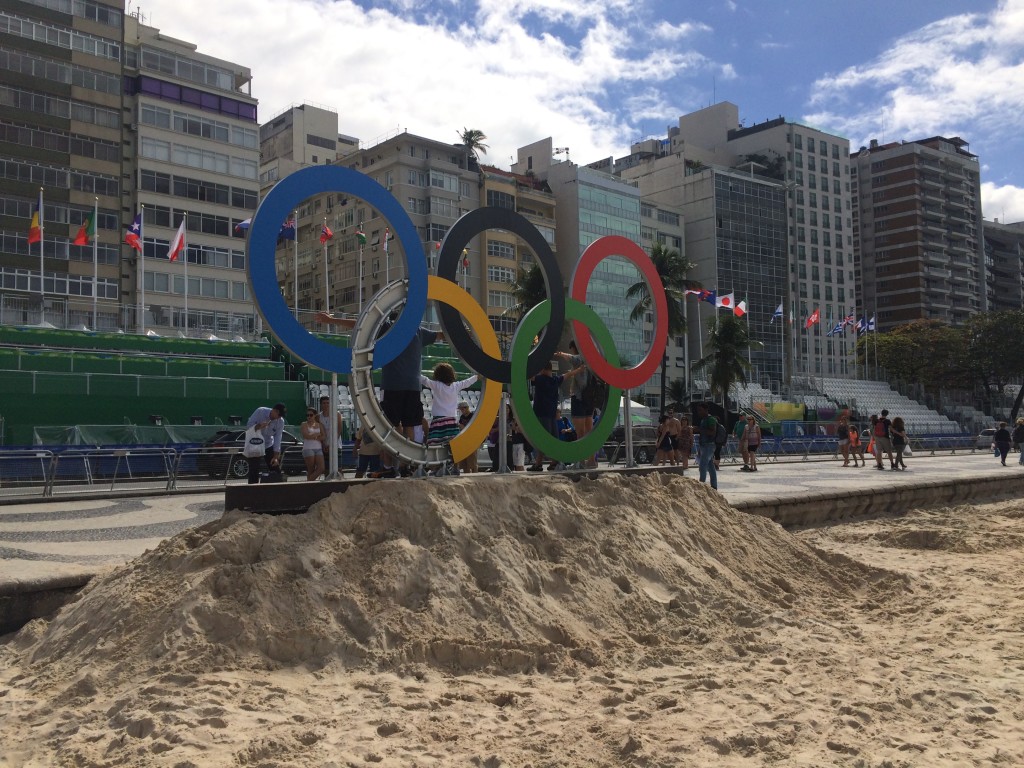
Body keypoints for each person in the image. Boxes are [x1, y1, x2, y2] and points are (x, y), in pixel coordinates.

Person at [317, 310, 441, 477]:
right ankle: (406, 466)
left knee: (391, 427)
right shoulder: (418, 330)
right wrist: (468, 334)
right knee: (409, 425)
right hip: (412, 387)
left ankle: (390, 467)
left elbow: (360, 324)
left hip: (393, 386)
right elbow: (442, 335)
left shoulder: (389, 328)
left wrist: (332, 321)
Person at [421, 363, 477, 474]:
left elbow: (424, 380)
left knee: (435, 444)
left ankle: (436, 468)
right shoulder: (456, 386)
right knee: (454, 445)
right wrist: (477, 376)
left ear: (438, 374)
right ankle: (456, 467)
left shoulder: (436, 385)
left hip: (438, 421)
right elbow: (467, 382)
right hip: (451, 420)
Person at [555, 341, 597, 468]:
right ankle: (592, 460)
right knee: (589, 431)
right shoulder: (592, 359)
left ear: (574, 348)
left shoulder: (579, 359)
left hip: (579, 398)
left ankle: (581, 460)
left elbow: (571, 357)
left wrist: (560, 353)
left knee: (580, 432)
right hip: (590, 398)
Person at [245, 402, 287, 484]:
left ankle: (278, 491)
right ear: (274, 411)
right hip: (256, 444)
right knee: (254, 469)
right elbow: (248, 425)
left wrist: (276, 456)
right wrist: (259, 426)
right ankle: (252, 492)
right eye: (279, 415)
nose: (279, 418)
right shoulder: (260, 411)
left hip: (268, 445)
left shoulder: (280, 421)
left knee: (275, 468)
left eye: (281, 416)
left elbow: (278, 437)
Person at [317, 395, 344, 477]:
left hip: (336, 445)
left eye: (328, 403)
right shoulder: (319, 417)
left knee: (338, 468)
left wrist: (332, 444)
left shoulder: (337, 414)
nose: (326, 405)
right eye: (324, 403)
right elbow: (319, 432)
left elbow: (339, 430)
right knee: (326, 469)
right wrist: (323, 445)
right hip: (324, 446)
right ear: (321, 404)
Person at [696, 402, 718, 490]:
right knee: (710, 467)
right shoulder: (703, 420)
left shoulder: (711, 419)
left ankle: (701, 486)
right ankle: (714, 486)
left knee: (702, 466)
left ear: (706, 410)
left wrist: (699, 429)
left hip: (709, 445)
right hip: (704, 446)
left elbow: (712, 432)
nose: (699, 412)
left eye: (700, 410)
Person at [299, 407, 326, 481]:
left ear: (315, 415)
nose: (309, 417)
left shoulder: (319, 425)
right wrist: (317, 434)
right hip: (308, 448)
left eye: (311, 415)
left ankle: (309, 481)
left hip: (318, 448)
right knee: (311, 469)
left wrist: (314, 436)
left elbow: (323, 436)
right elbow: (306, 436)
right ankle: (310, 484)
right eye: (307, 415)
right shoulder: (304, 424)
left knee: (321, 468)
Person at [456, 401, 479, 474]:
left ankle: (475, 476)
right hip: (464, 440)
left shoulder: (473, 416)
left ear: (467, 408)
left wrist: (463, 427)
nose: (461, 411)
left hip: (472, 440)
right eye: (460, 409)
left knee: (472, 461)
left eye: (463, 409)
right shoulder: (462, 417)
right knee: (464, 463)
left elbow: (474, 428)